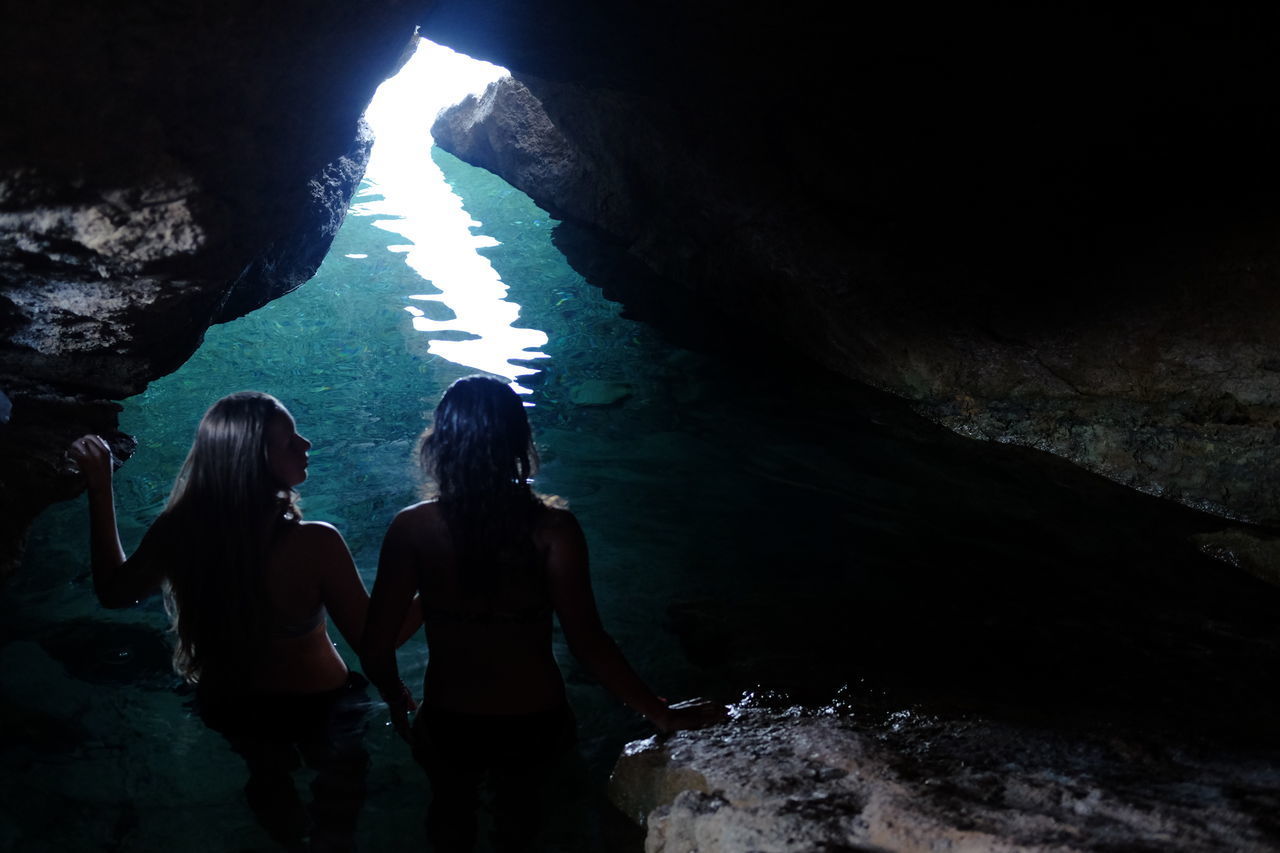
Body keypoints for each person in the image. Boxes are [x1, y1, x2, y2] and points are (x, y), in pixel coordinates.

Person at [361, 375, 725, 852]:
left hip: (450, 719)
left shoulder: (411, 528)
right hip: (535, 718)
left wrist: (397, 698)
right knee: (528, 828)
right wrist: (659, 712)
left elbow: (376, 643)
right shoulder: (554, 530)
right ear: (519, 442)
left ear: (438, 445)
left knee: (449, 820)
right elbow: (588, 641)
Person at [68, 391, 418, 852]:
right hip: (322, 705)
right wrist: (435, 587)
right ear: (255, 461)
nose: (306, 444)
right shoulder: (315, 543)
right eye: (289, 441)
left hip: (233, 704)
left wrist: (101, 488)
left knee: (268, 779)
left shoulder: (181, 530)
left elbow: (113, 593)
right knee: (340, 793)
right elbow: (377, 641)